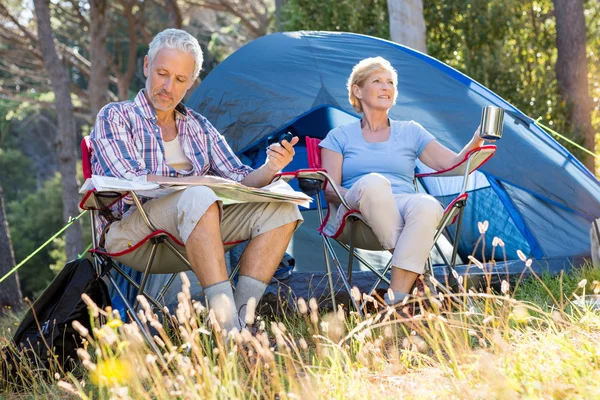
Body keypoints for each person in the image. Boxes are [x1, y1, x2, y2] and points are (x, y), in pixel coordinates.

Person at [90, 29, 303, 331]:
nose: (168, 87)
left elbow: (240, 178)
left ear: (191, 84)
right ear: (147, 66)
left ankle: (242, 324)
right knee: (200, 195)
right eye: (162, 73)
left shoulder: (199, 126)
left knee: (282, 210)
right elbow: (129, 177)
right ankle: (227, 326)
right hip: (132, 231)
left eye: (180, 80)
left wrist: (270, 167)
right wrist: (196, 183)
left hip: (194, 226)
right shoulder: (116, 116)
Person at [319, 57, 490, 305]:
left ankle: (397, 303)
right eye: (377, 81)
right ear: (357, 90)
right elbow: (330, 190)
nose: (386, 87)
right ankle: (416, 271)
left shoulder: (411, 131)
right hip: (356, 214)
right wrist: (364, 194)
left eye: (391, 82)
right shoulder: (338, 136)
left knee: (427, 204)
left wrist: (477, 140)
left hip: (403, 207)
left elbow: (452, 164)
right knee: (374, 183)